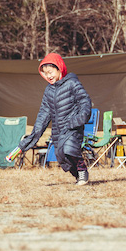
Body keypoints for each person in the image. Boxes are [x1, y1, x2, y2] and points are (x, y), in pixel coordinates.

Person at [14, 53, 93, 186]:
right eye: (45, 73)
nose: (48, 76)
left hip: (73, 126)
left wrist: (79, 119)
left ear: (59, 68)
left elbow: (85, 101)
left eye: (50, 72)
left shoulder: (72, 83)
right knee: (62, 157)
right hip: (58, 130)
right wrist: (31, 138)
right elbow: (43, 115)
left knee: (69, 149)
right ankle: (78, 175)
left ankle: (82, 170)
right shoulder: (49, 90)